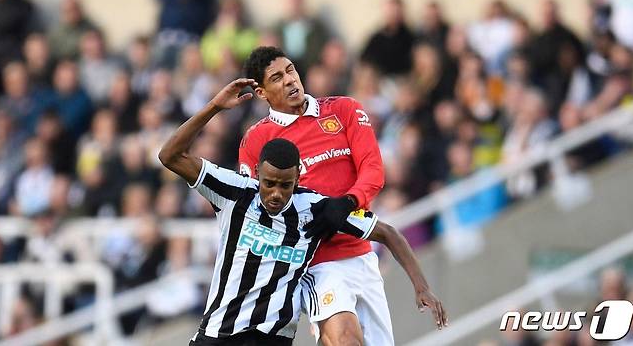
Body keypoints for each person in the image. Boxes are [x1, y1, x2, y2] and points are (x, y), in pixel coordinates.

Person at [158, 78, 447, 345]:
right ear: (257, 173)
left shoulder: (313, 207)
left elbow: (387, 232)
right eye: (269, 183)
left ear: (298, 178)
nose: (276, 194)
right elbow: (169, 155)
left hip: (273, 338)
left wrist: (422, 287)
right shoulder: (234, 192)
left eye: (285, 185)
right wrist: (213, 108)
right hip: (220, 334)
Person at [239, 46, 391, 345]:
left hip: (362, 253)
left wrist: (347, 203)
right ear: (261, 92)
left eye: (291, 70)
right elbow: (255, 209)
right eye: (277, 77)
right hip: (314, 262)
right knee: (346, 339)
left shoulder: (344, 110)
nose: (290, 80)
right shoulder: (256, 140)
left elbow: (373, 170)